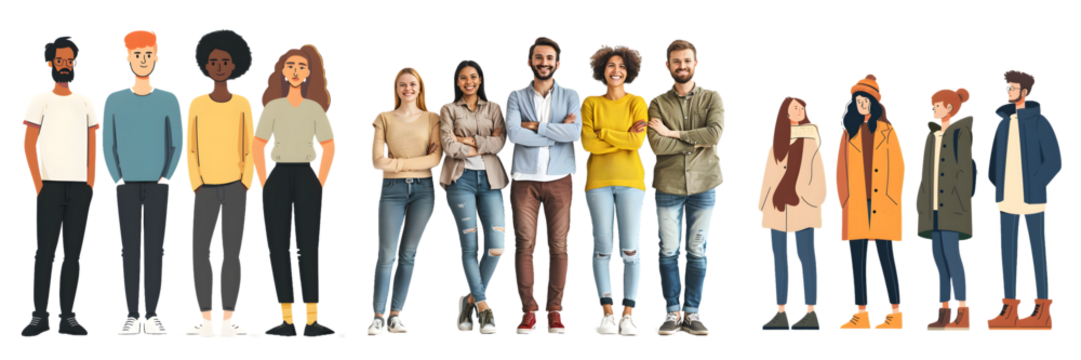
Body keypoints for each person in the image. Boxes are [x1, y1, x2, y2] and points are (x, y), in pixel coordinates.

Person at [101, 29, 184, 336]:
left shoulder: (169, 99)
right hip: (126, 185)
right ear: (128, 57)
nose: (143, 60)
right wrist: (117, 177)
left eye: (148, 54)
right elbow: (107, 143)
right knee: (128, 248)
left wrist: (166, 176)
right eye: (137, 54)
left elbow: (177, 143)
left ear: (157, 57)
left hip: (158, 185)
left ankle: (152, 314)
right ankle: (131, 314)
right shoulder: (113, 100)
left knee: (155, 249)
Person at [254, 43, 339, 338]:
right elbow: (258, 145)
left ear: (309, 73)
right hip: (277, 175)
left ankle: (312, 320)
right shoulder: (272, 108)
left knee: (309, 246)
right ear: (282, 71)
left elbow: (329, 146)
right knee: (277, 245)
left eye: (302, 66)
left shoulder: (314, 108)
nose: (295, 70)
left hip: (306, 175)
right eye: (290, 65)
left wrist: (319, 182)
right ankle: (287, 320)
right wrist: (265, 182)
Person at [645, 38, 724, 337]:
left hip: (705, 184)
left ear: (696, 64)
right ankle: (671, 312)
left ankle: (692, 312)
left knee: (697, 249)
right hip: (668, 185)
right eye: (676, 61)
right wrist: (692, 140)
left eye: (687, 60)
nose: (682, 66)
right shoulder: (656, 103)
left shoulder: (713, 97)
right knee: (668, 249)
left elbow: (715, 134)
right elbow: (656, 145)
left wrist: (673, 133)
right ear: (667, 66)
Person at [20, 34, 97, 338]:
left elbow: (93, 145)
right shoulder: (39, 100)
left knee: (73, 254)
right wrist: (38, 183)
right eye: (60, 60)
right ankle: (39, 316)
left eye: (70, 60)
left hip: (80, 188)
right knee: (45, 252)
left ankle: (68, 317)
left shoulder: (86, 102)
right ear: (50, 63)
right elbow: (29, 144)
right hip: (49, 187)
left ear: (75, 63)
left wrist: (91, 181)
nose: (65, 65)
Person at [504, 36, 582, 336]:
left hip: (560, 179)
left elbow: (574, 133)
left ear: (558, 64)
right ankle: (528, 311)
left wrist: (534, 126)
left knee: (559, 246)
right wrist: (556, 131)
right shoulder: (514, 96)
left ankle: (555, 311)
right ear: (529, 62)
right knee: (524, 244)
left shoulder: (572, 95)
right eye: (539, 57)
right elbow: (513, 134)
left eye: (550, 58)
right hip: (524, 179)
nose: (544, 62)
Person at [183, 27, 255, 339]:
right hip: (205, 189)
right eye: (213, 61)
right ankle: (204, 319)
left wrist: (246, 182)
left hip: (236, 187)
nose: (219, 66)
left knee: (232, 251)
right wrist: (196, 183)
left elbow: (250, 145)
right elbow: (191, 148)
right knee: (200, 250)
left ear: (235, 64)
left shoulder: (243, 104)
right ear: (205, 64)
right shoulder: (197, 104)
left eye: (225, 61)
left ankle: (227, 319)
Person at [367, 66, 442, 336]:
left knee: (409, 253)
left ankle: (396, 315)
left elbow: (436, 159)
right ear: (396, 89)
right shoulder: (383, 118)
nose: (407, 88)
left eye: (412, 84)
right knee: (386, 253)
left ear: (420, 88)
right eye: (402, 84)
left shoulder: (433, 118)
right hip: (392, 189)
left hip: (424, 191)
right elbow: (376, 161)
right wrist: (415, 162)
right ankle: (377, 316)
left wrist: (395, 161)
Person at [984, 69, 1061, 332]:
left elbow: (1054, 161)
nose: (1007, 91)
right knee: (1006, 252)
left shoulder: (1040, 122)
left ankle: (1042, 310)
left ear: (1024, 92)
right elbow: (993, 160)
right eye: (1006, 87)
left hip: (1032, 199)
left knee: (1037, 250)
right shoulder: (1002, 123)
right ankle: (1009, 308)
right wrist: (997, 186)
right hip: (1007, 198)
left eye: (1012, 87)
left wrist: (1036, 185)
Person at [579, 44, 648, 337]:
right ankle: (607, 313)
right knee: (602, 249)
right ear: (602, 70)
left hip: (632, 182)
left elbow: (637, 142)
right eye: (611, 65)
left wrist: (604, 133)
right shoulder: (589, 103)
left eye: (621, 66)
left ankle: (628, 314)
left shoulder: (638, 102)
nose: (616, 71)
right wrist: (621, 137)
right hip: (597, 183)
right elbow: (586, 143)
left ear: (628, 71)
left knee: (631, 249)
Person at [438, 59, 509, 335]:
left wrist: (467, 140)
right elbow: (448, 146)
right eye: (463, 77)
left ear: (481, 80)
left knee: (497, 247)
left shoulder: (494, 108)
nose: (469, 82)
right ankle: (483, 307)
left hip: (491, 180)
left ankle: (468, 301)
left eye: (474, 77)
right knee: (469, 246)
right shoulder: (447, 109)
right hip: (460, 180)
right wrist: (483, 142)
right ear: (457, 82)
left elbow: (500, 143)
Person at [834, 74, 907, 331]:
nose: (862, 104)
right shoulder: (847, 134)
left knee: (886, 256)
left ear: (874, 103)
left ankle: (895, 314)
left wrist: (892, 196)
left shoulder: (888, 131)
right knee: (857, 258)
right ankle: (862, 313)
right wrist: (844, 200)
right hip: (855, 203)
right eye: (858, 100)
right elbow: (840, 171)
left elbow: (899, 167)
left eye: (866, 100)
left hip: (882, 202)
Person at [757, 97, 827, 332]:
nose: (799, 111)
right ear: (785, 114)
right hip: (776, 208)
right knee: (779, 259)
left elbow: (820, 178)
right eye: (793, 108)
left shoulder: (812, 142)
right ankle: (781, 312)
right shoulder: (776, 144)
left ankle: (811, 312)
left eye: (801, 108)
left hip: (803, 207)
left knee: (806, 257)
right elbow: (767, 176)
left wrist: (810, 200)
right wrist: (762, 205)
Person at [917, 87, 976, 332]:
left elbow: (966, 170)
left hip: (951, 207)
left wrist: (961, 200)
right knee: (939, 259)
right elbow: (926, 172)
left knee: (953, 258)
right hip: (932, 208)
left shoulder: (960, 133)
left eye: (936, 106)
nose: (932, 110)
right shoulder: (932, 134)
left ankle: (962, 311)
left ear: (949, 107)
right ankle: (944, 311)